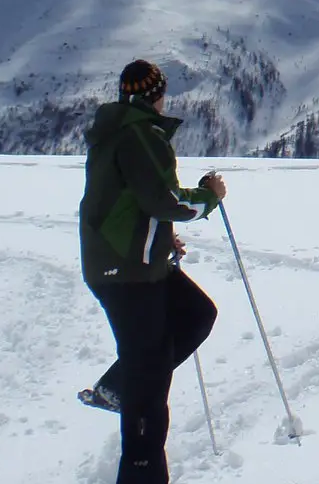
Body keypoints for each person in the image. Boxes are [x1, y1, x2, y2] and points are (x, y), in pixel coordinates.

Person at [78, 59, 229, 484]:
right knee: (149, 382)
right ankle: (141, 472)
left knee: (196, 314)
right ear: (155, 96)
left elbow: (126, 201)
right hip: (127, 271)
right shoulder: (139, 134)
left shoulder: (118, 132)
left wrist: (159, 240)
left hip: (130, 262)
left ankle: (119, 385)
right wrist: (208, 197)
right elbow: (162, 199)